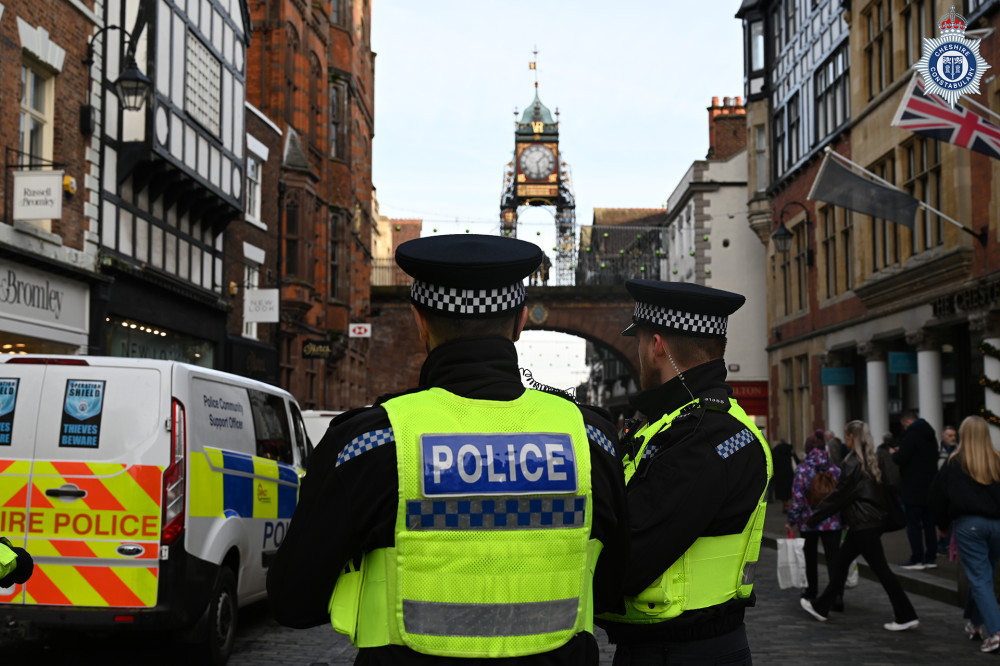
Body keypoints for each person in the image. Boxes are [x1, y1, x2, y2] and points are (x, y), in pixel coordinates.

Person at [266, 234, 630, 665]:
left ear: (419, 320)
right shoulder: (590, 440)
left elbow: (294, 602)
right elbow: (614, 585)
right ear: (520, 322)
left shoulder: (369, 444)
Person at [595, 280, 771, 665]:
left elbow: (624, 561)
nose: (638, 353)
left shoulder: (703, 437)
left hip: (681, 652)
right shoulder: (677, 425)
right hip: (675, 647)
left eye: (639, 341)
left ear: (656, 345)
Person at [801, 420, 919, 631]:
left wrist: (813, 518)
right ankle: (822, 606)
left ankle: (906, 615)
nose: (844, 440)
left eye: (846, 436)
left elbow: (839, 496)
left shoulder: (852, 462)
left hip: (863, 523)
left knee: (880, 570)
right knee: (840, 565)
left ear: (851, 438)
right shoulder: (873, 460)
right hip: (869, 522)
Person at [929, 415, 1000, 653]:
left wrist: (942, 524)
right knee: (983, 575)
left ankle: (996, 631)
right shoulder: (997, 460)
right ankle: (976, 623)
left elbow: (938, 497)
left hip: (970, 525)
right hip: (997, 525)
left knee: (980, 578)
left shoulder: (954, 463)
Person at [786, 436, 842, 606]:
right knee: (834, 559)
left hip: (808, 521)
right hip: (832, 521)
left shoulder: (802, 470)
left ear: (807, 450)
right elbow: (843, 496)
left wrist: (791, 520)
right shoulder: (835, 470)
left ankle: (811, 591)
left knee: (810, 558)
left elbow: (798, 499)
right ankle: (836, 595)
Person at [892, 410, 940, 569]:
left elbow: (901, 458)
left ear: (906, 422)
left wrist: (895, 453)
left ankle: (917, 558)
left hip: (913, 487)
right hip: (929, 486)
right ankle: (931, 557)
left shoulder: (911, 436)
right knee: (929, 525)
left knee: (913, 525)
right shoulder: (930, 435)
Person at [771, 439, 798, 513]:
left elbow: (772, 463)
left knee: (782, 491)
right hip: (789, 473)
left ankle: (785, 503)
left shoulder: (775, 452)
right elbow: (796, 460)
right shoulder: (790, 450)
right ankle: (787, 503)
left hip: (779, 474)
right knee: (788, 489)